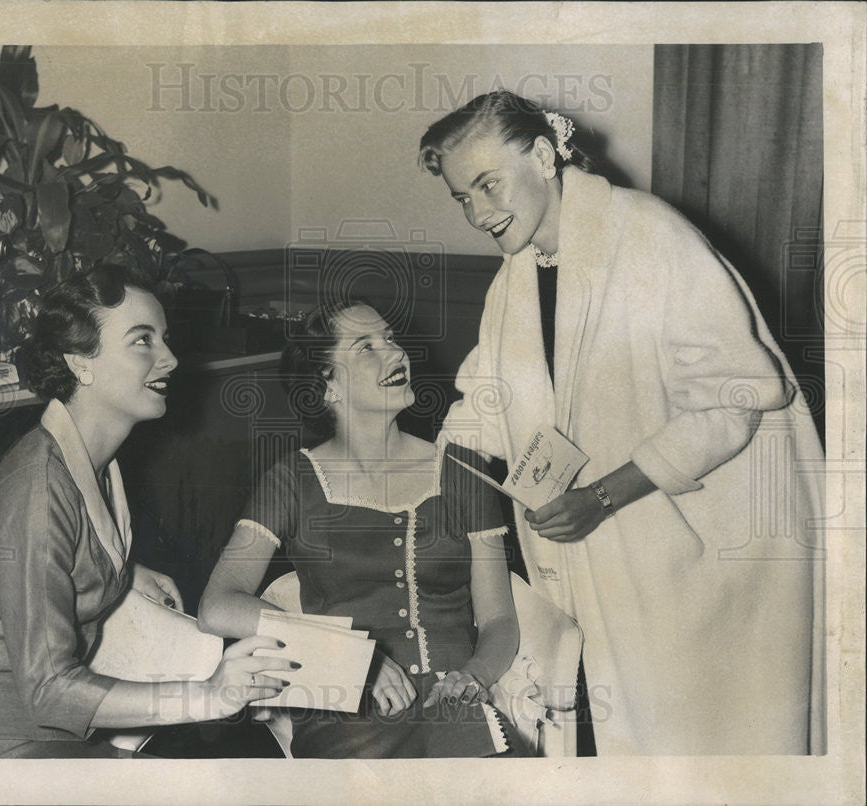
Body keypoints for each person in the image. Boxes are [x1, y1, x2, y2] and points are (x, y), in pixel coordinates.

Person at [417, 90, 825, 755]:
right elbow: (479, 410)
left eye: (488, 185)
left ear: (544, 156)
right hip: (612, 558)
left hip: (713, 558)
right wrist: (410, 487)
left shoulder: (649, 233)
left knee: (711, 753)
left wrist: (601, 497)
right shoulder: (515, 278)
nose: (479, 214)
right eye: (463, 198)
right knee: (633, 748)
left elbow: (738, 397)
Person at [0, 265, 293, 759]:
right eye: (143, 341)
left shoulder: (97, 462)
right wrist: (209, 694)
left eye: (165, 338)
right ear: (81, 363)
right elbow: (50, 690)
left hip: (49, 733)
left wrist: (125, 571)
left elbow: (63, 551)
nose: (171, 358)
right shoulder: (35, 491)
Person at [197, 301, 534, 758]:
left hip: (455, 710)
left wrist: (473, 676)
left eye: (391, 339)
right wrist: (347, 655)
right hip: (345, 709)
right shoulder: (291, 480)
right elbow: (217, 605)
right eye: (366, 348)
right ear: (327, 386)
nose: (395, 354)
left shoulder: (463, 472)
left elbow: (498, 620)